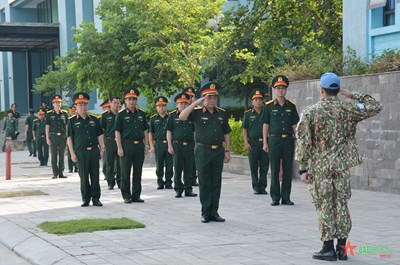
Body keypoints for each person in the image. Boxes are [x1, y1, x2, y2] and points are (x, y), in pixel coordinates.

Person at [295, 73, 382, 261]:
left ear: (321, 90)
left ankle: (327, 248)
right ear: (337, 90)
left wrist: (303, 168)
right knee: (341, 204)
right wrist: (353, 95)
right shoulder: (348, 109)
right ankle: (342, 248)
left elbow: (304, 142)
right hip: (342, 166)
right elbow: (376, 106)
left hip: (320, 168)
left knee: (325, 205)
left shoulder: (311, 112)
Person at [179, 82, 231, 223]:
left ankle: (214, 212)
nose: (212, 100)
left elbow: (226, 133)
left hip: (218, 151)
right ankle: (205, 212)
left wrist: (227, 150)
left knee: (216, 182)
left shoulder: (222, 113)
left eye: (214, 98)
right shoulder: (196, 112)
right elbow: (182, 116)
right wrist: (195, 102)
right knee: (204, 182)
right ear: (203, 99)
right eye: (209, 98)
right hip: (203, 150)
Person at [262, 75, 299, 206]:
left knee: (288, 169)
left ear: (286, 90)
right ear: (274, 90)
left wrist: (298, 141)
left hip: (288, 140)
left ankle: (286, 197)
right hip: (274, 141)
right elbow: (265, 125)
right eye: (278, 88)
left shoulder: (291, 107)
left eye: (283, 88)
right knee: (275, 169)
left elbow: (295, 125)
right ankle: (275, 197)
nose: (280, 90)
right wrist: (265, 143)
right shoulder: (269, 106)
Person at [67, 92, 105, 207]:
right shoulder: (72, 121)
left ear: (87, 105)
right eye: (80, 105)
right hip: (80, 152)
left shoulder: (94, 119)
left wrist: (102, 148)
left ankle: (96, 198)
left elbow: (100, 135)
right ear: (76, 107)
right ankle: (85, 198)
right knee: (83, 177)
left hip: (93, 151)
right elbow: (69, 138)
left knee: (95, 176)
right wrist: (72, 154)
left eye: (84, 104)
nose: (83, 107)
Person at [115, 88, 149, 203]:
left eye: (133, 99)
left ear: (136, 100)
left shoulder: (141, 114)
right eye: (129, 99)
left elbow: (145, 130)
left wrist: (146, 145)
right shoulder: (121, 115)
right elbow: (117, 132)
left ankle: (136, 195)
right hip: (126, 145)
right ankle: (126, 196)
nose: (131, 102)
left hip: (139, 145)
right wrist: (119, 147)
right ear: (125, 100)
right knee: (125, 172)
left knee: (138, 172)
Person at [166, 92, 197, 198]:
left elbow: (194, 131)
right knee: (178, 168)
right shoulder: (172, 116)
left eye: (185, 103)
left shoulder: (191, 116)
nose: (183, 105)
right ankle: (178, 189)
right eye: (181, 103)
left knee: (189, 168)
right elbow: (169, 131)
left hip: (189, 145)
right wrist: (169, 145)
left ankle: (188, 189)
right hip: (177, 145)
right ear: (176, 105)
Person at [242, 90, 269, 195]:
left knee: (264, 165)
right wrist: (246, 142)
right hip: (253, 142)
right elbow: (245, 129)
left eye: (260, 99)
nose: (258, 102)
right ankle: (256, 187)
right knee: (253, 166)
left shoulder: (266, 113)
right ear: (252, 102)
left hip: (264, 142)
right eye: (256, 100)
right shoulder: (248, 114)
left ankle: (263, 186)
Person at [149, 96, 173, 189]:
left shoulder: (170, 117)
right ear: (156, 107)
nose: (161, 108)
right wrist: (151, 146)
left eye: (163, 105)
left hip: (168, 144)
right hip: (158, 144)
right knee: (159, 164)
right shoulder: (153, 119)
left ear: (166, 106)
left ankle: (168, 182)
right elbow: (150, 133)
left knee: (169, 164)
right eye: (159, 106)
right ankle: (160, 181)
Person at [100, 97, 122, 190]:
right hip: (109, 141)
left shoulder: (121, 115)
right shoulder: (105, 115)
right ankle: (110, 182)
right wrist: (102, 144)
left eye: (118, 103)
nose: (116, 105)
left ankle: (120, 182)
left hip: (120, 142)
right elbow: (101, 130)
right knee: (110, 163)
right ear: (110, 103)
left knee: (120, 163)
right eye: (114, 103)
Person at [46, 95, 69, 179]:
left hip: (62, 136)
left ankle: (61, 173)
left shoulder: (65, 113)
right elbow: (47, 126)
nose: (58, 104)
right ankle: (55, 173)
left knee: (62, 155)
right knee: (54, 155)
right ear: (53, 104)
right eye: (56, 103)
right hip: (53, 136)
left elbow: (67, 126)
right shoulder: (49, 114)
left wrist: (68, 137)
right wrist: (47, 138)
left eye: (59, 102)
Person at [183, 86, 199, 187]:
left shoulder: (197, 110)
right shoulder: (182, 109)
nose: (190, 99)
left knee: (194, 159)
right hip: (185, 138)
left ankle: (193, 178)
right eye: (188, 96)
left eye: (192, 97)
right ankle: (185, 180)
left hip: (196, 137)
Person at [100, 99, 111, 180]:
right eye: (107, 107)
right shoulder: (102, 117)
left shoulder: (117, 114)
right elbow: (100, 132)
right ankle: (106, 173)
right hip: (106, 140)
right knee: (106, 158)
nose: (108, 108)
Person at [67, 105, 78, 173]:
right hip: (69, 138)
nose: (73, 112)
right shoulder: (68, 119)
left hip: (76, 139)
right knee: (69, 153)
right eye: (72, 111)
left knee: (77, 152)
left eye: (74, 111)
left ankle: (77, 167)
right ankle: (70, 168)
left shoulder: (77, 118)